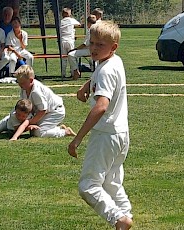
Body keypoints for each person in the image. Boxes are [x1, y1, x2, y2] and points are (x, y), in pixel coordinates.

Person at [67, 21, 133, 230]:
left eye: (100, 45)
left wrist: (77, 139)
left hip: (105, 135)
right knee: (112, 182)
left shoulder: (105, 71)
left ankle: (118, 219)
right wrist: (85, 86)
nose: (94, 49)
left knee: (88, 186)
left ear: (113, 47)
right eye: (91, 43)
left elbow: (101, 106)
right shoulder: (114, 61)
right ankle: (126, 215)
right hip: (120, 134)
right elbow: (101, 73)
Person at [14, 65, 76, 138]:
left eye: (22, 83)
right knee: (32, 130)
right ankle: (57, 128)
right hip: (43, 112)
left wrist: (30, 122)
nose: (20, 85)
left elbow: (43, 110)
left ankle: (64, 132)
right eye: (19, 82)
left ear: (31, 80)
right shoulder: (24, 88)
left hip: (55, 111)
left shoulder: (36, 92)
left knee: (38, 132)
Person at [68, 15, 96, 80]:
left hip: (89, 50)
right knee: (93, 61)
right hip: (96, 50)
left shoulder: (90, 31)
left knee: (71, 54)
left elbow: (85, 44)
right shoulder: (98, 29)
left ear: (88, 23)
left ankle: (75, 71)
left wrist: (75, 49)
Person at [60, 7, 81, 79]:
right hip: (70, 41)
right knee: (72, 57)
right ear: (69, 14)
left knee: (63, 58)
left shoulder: (61, 21)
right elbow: (79, 24)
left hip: (62, 40)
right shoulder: (72, 20)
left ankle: (63, 74)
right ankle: (73, 72)